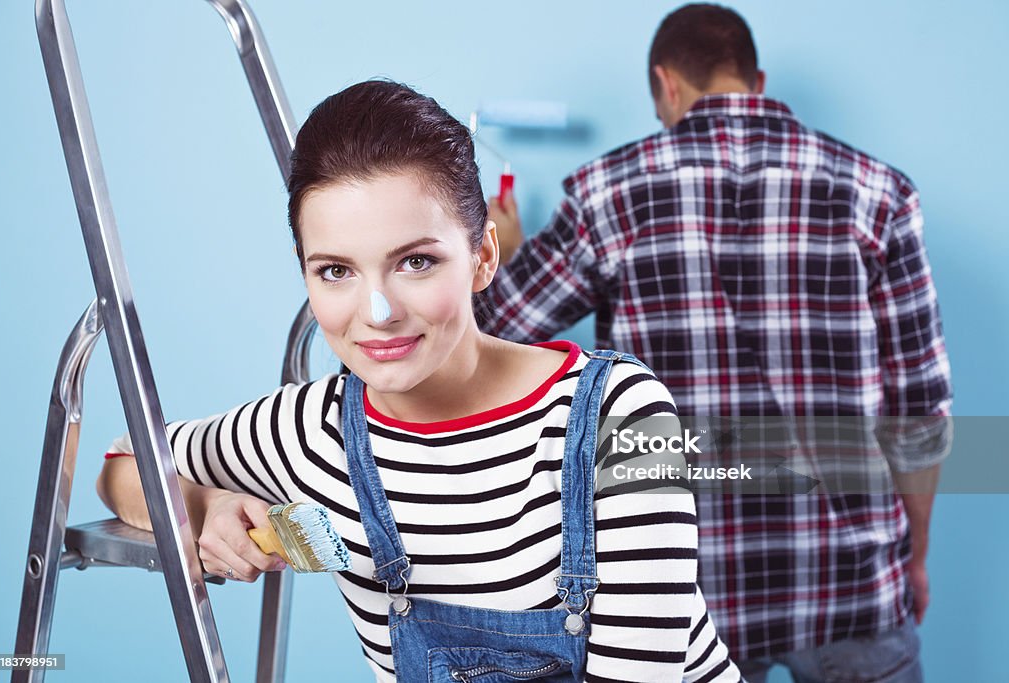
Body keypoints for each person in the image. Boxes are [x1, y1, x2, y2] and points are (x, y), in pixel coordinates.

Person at [96, 80, 745, 682]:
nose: (377, 313)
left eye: (415, 261)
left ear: (483, 255)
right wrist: (202, 507)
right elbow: (125, 463)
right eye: (336, 271)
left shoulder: (623, 417)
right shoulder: (309, 431)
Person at [480, 4, 952, 683]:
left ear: (665, 84)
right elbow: (922, 412)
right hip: (853, 579)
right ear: (755, 82)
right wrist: (914, 555)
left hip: (684, 597)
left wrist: (510, 254)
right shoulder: (880, 195)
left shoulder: (606, 194)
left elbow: (492, 331)